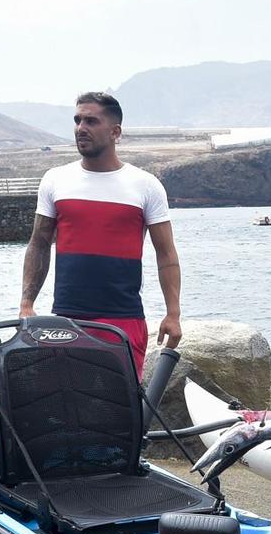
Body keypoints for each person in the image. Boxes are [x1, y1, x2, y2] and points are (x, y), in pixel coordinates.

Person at [19, 91, 180, 373]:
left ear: (115, 131)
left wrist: (173, 313)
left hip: (123, 320)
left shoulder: (145, 185)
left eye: (91, 121)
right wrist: (26, 303)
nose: (81, 128)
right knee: (66, 408)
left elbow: (166, 254)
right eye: (78, 120)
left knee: (119, 409)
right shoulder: (56, 179)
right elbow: (39, 243)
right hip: (66, 320)